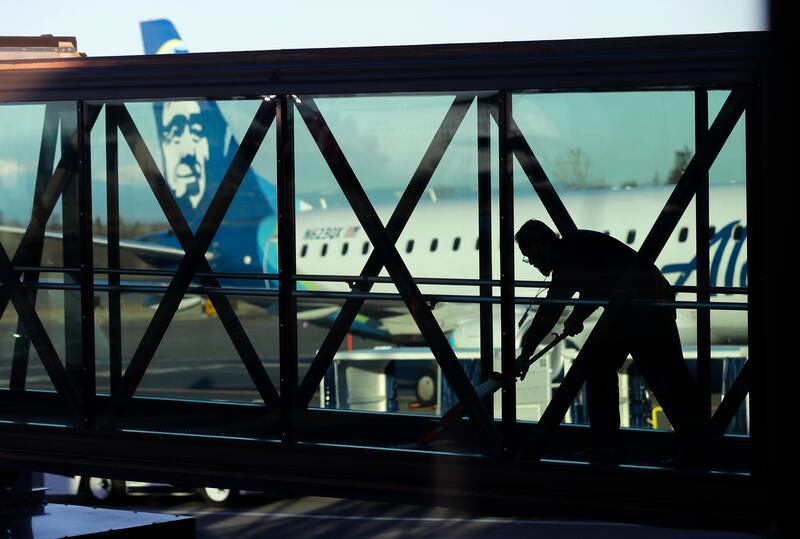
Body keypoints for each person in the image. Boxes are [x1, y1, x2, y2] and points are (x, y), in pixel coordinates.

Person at [515, 219, 704, 464]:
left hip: (640, 308)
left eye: (528, 257)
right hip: (641, 304)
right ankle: (694, 446)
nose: (531, 264)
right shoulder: (574, 249)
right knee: (664, 375)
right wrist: (576, 316)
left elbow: (551, 310)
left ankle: (610, 447)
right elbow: (601, 284)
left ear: (537, 248)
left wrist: (526, 353)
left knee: (653, 374)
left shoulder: (566, 262)